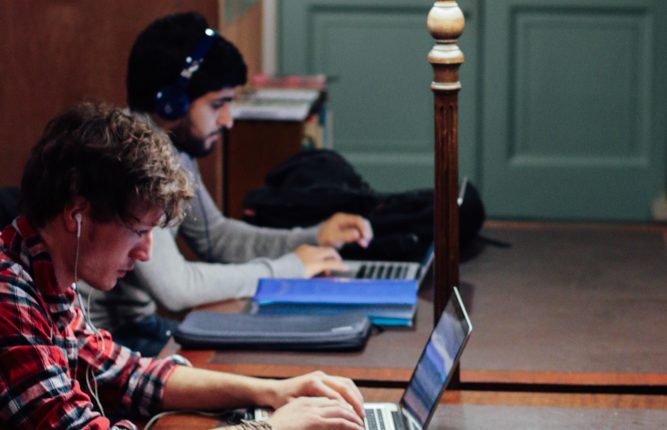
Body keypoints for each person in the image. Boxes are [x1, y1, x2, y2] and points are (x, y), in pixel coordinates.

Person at [0, 102, 366, 429]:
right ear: (76, 215)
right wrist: (270, 428)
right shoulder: (8, 299)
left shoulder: (46, 277)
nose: (145, 252)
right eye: (137, 231)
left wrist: (275, 392)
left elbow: (132, 376)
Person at [80, 11, 373, 357]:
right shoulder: (135, 162)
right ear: (170, 102)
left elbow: (215, 236)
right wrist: (290, 269)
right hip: (108, 341)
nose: (228, 120)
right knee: (256, 366)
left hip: (141, 327)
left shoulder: (175, 149)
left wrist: (312, 238)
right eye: (218, 104)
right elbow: (177, 290)